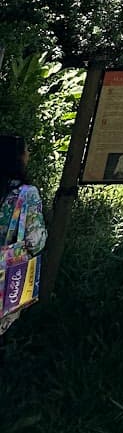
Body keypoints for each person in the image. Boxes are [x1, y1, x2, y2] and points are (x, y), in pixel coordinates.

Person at [0, 134, 47, 336]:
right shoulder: (27, 193)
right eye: (26, 151)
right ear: (17, 158)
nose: (28, 155)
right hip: (7, 273)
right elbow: (34, 240)